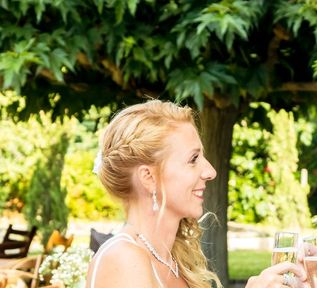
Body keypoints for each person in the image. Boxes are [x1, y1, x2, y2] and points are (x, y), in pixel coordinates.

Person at [86, 100, 305, 288]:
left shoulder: (174, 259)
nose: (210, 171)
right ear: (149, 178)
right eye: (193, 159)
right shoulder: (123, 258)